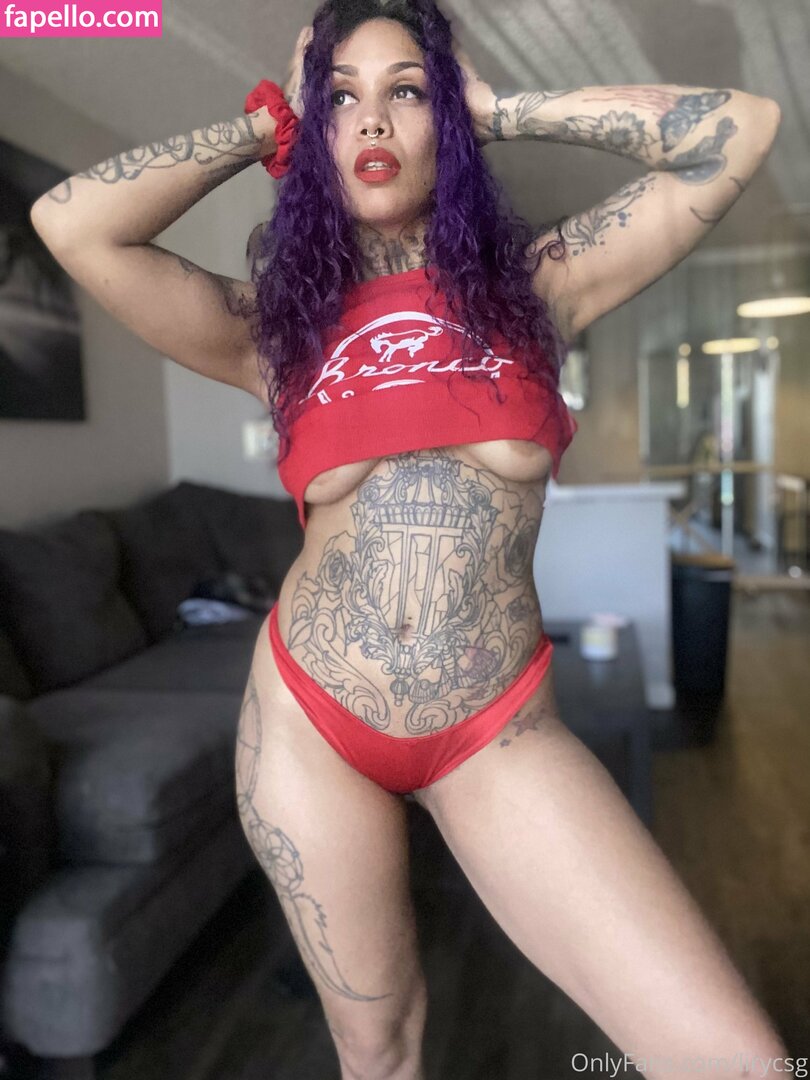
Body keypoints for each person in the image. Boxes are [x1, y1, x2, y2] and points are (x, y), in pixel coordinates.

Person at [29, 1, 789, 1077]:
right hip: (310, 724)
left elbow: (740, 131)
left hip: (495, 728)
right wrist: (266, 125)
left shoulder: (542, 287)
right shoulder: (276, 334)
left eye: (408, 90)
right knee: (379, 1052)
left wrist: (500, 107)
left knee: (733, 1060)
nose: (372, 119)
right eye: (340, 97)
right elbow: (71, 222)